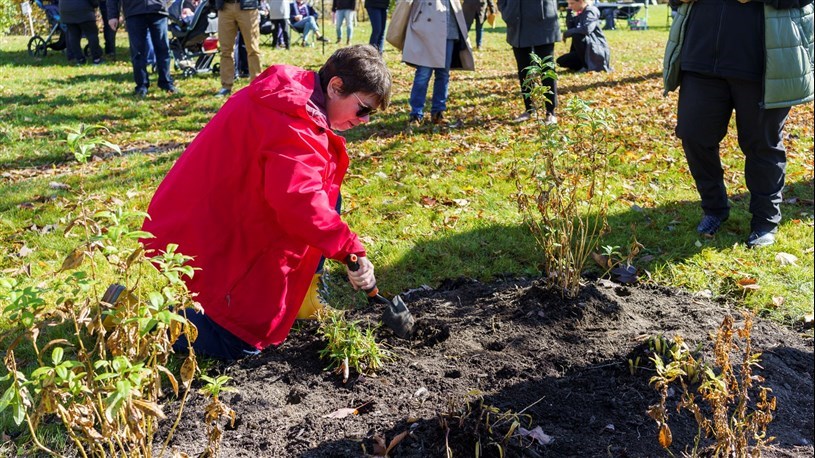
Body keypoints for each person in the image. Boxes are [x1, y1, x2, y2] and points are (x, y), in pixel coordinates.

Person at [140, 45, 391, 361]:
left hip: (223, 205)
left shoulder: (295, 95)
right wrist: (350, 250)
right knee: (241, 339)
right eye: (363, 109)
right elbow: (300, 203)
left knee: (330, 195)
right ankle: (141, 321)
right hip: (213, 222)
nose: (365, 120)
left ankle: (304, 300)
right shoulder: (294, 124)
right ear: (336, 86)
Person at [664, 0, 814, 248]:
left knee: (762, 145)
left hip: (762, 61)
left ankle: (765, 221)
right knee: (693, 135)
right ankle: (714, 209)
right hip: (700, 56)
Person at [403, 0, 474, 127]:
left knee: (443, 74)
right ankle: (416, 114)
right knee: (423, 75)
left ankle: (438, 112)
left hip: (449, 29)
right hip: (427, 29)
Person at [498, 0, 560, 124]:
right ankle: (530, 109)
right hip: (517, 22)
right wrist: (507, 11)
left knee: (546, 68)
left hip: (543, 22)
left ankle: (550, 111)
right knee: (524, 69)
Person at [108, 0, 177, 96]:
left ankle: (166, 82)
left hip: (157, 10)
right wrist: (112, 16)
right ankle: (142, 85)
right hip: (134, 11)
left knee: (163, 49)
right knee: (138, 52)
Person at [214, 0, 261, 97]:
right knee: (225, 50)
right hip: (225, 7)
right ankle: (226, 86)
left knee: (253, 49)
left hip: (248, 7)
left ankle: (256, 85)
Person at [557, 0, 611, 72]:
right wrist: (569, 12)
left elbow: (586, 29)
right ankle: (582, 65)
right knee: (560, 61)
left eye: (572, 3)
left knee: (577, 36)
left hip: (594, 49)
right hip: (584, 50)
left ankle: (587, 66)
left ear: (581, 2)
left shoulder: (591, 11)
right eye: (568, 4)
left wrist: (567, 33)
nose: (570, 6)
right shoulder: (580, 12)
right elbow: (571, 28)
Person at [59, 0, 104, 65]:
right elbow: (94, 2)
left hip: (65, 11)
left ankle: (79, 59)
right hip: (83, 11)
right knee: (92, 34)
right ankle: (96, 58)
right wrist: (95, 4)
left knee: (73, 35)